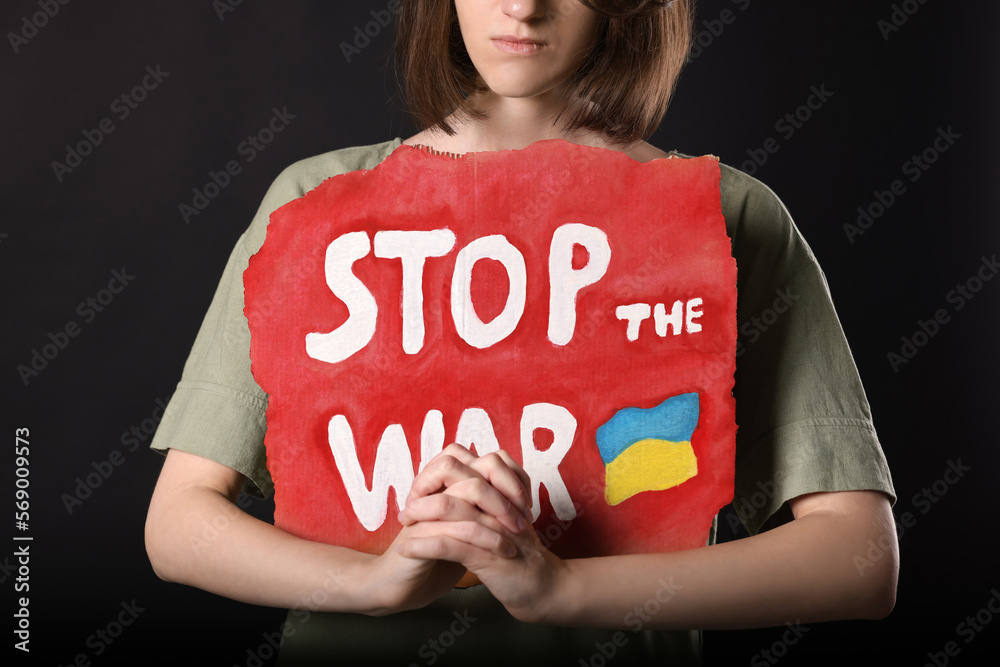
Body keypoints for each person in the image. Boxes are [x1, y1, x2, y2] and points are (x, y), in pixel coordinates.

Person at [145, 1, 898, 664]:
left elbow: (859, 559)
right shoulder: (317, 205)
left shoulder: (722, 218)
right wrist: (371, 584)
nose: (523, 7)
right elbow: (178, 522)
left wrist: (563, 589)